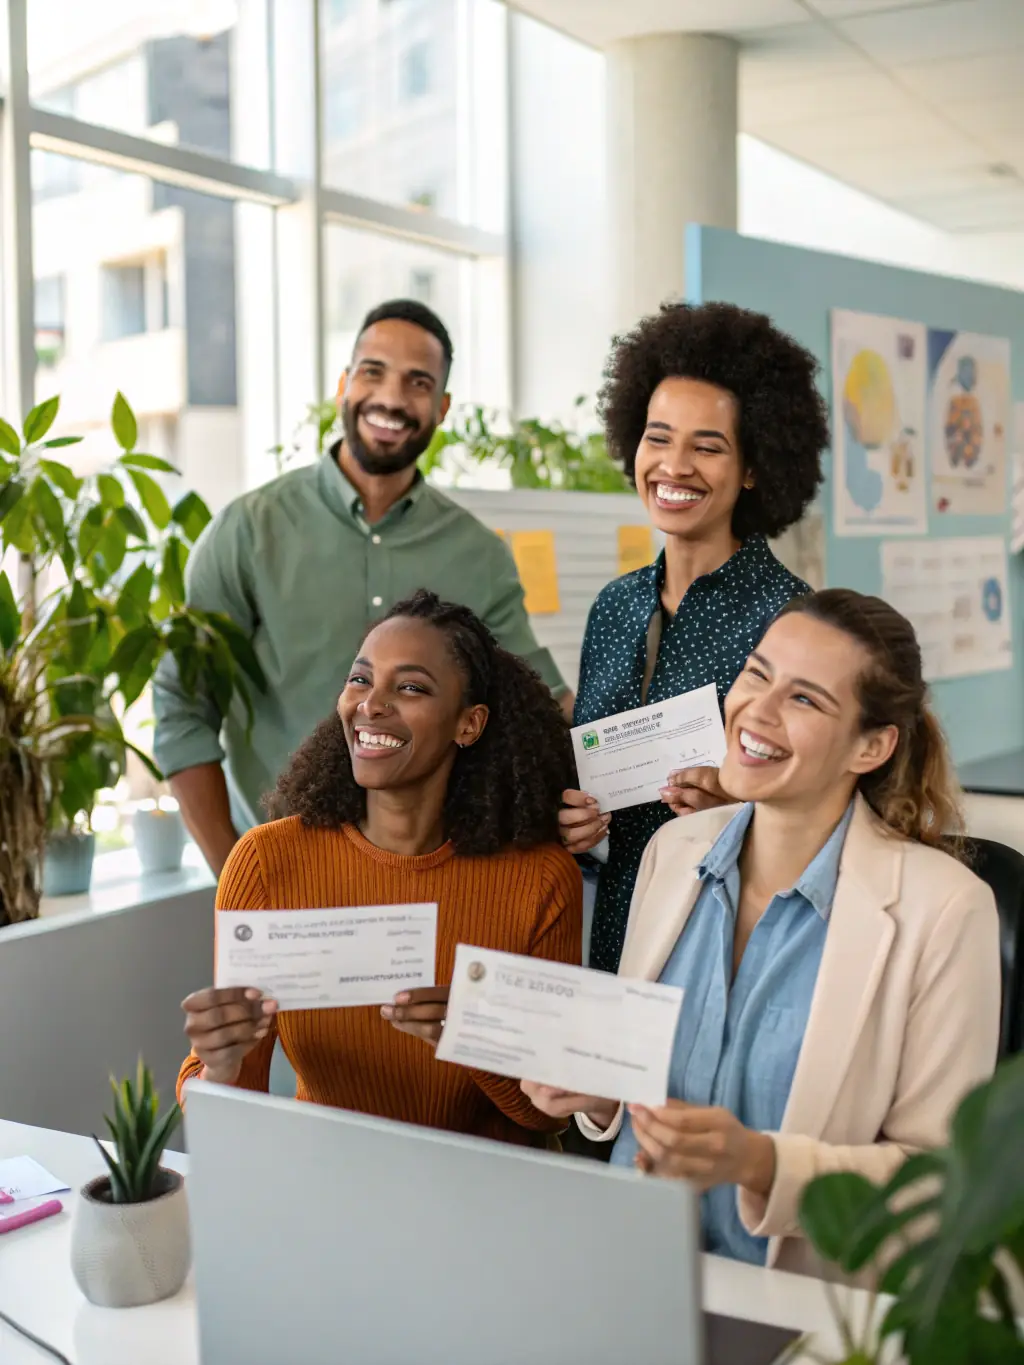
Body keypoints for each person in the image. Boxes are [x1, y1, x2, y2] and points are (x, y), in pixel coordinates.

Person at [525, 590, 1000, 1276]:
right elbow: (632, 1084)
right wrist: (594, 1095)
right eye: (757, 673)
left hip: (798, 1304)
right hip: (633, 1275)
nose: (758, 710)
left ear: (871, 745)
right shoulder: (673, 849)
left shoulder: (947, 909)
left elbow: (938, 1184)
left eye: (805, 699)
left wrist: (760, 1162)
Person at [154, 299, 572, 876]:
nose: (393, 399)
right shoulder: (246, 531)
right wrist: (236, 876)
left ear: (442, 407)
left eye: (418, 383)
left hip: (434, 875)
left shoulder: (480, 555)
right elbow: (182, 712)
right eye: (374, 373)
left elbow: (540, 703)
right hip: (283, 870)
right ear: (344, 385)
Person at [178, 591, 581, 1149]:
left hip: (489, 1192)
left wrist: (475, 1040)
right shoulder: (268, 862)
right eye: (361, 680)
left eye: (410, 687)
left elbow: (549, 1117)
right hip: (330, 1182)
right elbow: (227, 1107)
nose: (371, 704)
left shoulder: (540, 879)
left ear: (469, 724)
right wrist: (219, 1067)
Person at [562, 302, 828, 973]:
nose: (674, 466)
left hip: (731, 938)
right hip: (618, 929)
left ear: (754, 467)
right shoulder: (613, 607)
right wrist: (573, 826)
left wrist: (741, 805)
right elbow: (594, 777)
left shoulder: (793, 619)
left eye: (708, 446)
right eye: (658, 437)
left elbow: (828, 807)